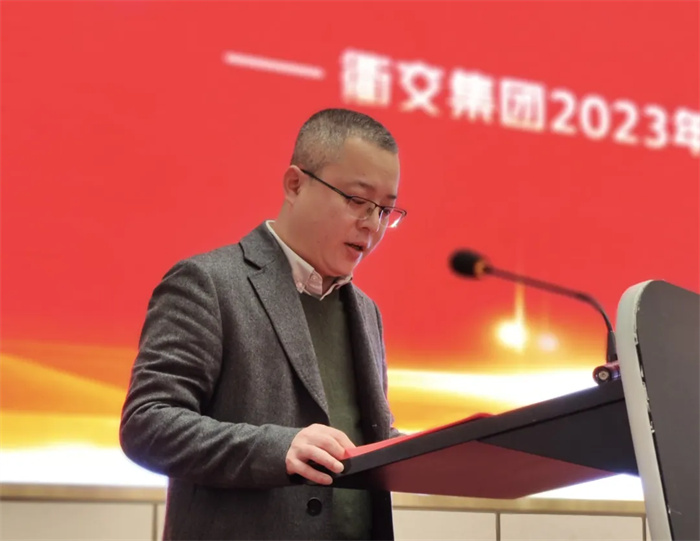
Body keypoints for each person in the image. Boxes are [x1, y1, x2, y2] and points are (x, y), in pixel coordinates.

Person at [120, 108, 407, 540]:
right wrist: (278, 448)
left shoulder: (366, 311)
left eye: (385, 210)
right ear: (295, 184)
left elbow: (356, 437)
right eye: (356, 200)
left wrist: (427, 450)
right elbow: (148, 425)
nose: (372, 225)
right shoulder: (209, 284)